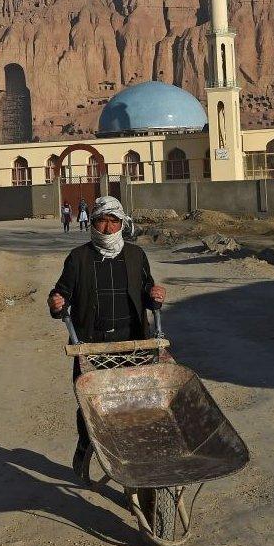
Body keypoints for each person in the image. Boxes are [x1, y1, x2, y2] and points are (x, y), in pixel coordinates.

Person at [47, 196, 166, 476]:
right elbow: (61, 292)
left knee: (132, 407)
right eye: (102, 220)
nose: (108, 227)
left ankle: (133, 471)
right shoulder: (79, 258)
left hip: (134, 343)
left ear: (122, 223)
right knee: (92, 405)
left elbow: (147, 290)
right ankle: (86, 441)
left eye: (114, 221)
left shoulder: (137, 256)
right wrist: (56, 301)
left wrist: (154, 294)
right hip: (91, 344)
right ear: (93, 222)